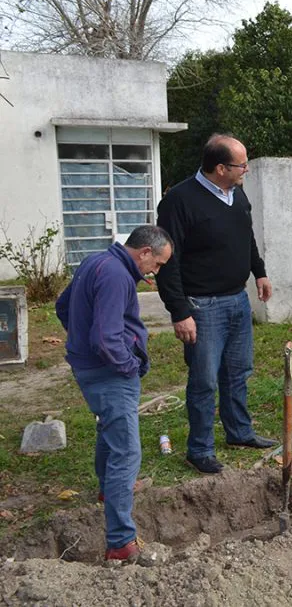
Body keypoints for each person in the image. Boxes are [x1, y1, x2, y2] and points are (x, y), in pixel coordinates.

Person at [156, 134, 276, 475]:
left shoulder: (236, 193)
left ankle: (239, 432)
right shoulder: (179, 202)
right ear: (220, 168)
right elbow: (168, 262)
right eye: (241, 164)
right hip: (202, 306)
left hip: (237, 300)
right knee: (204, 381)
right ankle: (200, 449)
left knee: (238, 372)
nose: (247, 170)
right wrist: (180, 312)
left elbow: (246, 235)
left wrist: (259, 272)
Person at [56, 225, 173, 563]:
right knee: (127, 452)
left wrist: (81, 338)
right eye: (159, 264)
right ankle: (121, 542)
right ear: (145, 252)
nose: (156, 272)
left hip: (91, 367)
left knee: (110, 431)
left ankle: (109, 491)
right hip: (109, 372)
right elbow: (107, 338)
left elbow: (63, 307)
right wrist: (127, 366)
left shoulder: (96, 261)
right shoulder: (116, 276)